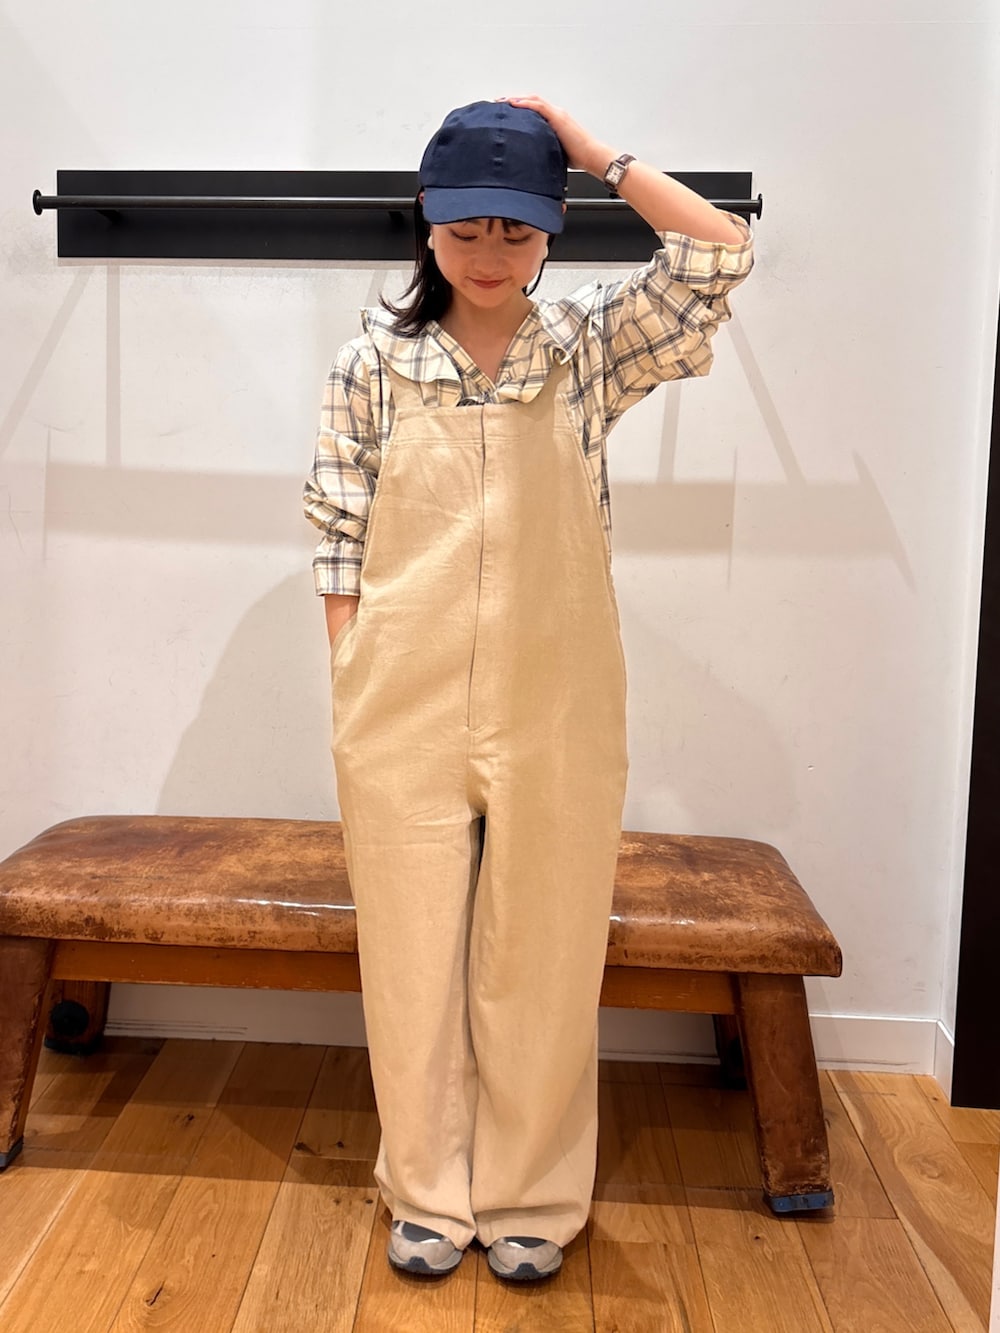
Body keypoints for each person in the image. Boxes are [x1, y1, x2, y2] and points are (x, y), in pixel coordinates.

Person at [303, 95, 753, 1283]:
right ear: (426, 223)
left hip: (557, 696)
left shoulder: (586, 349)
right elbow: (337, 528)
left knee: (546, 952)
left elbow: (717, 252)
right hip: (397, 700)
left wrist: (596, 151)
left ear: (552, 228)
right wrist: (351, 667)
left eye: (515, 229)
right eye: (465, 230)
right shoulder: (372, 363)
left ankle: (532, 1199)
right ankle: (426, 1192)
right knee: (409, 957)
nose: (489, 255)